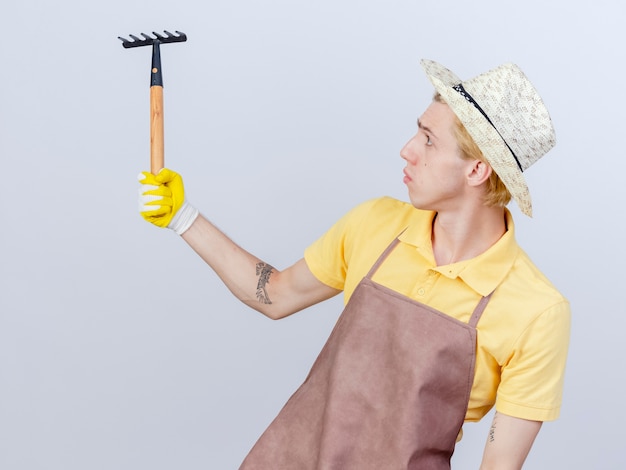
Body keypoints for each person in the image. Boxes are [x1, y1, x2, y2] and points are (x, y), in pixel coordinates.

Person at [137, 59, 570, 469]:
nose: (406, 150)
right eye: (416, 132)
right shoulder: (375, 224)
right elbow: (273, 295)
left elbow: (499, 464)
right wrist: (184, 217)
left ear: (477, 170)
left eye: (428, 140)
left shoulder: (536, 311)